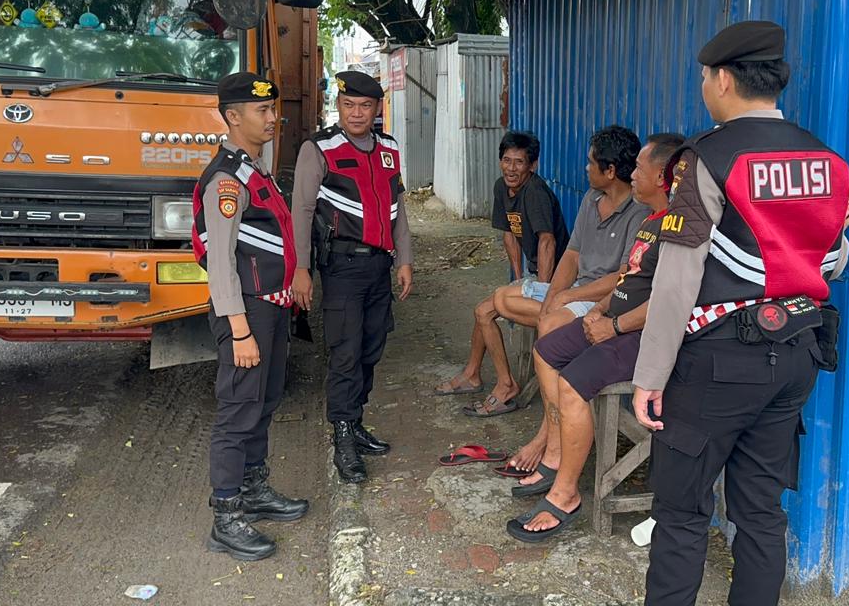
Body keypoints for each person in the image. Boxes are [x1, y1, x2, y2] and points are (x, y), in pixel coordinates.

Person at [632, 21, 849, 605]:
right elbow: (828, 265)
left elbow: (678, 277)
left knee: (681, 514)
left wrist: (650, 378)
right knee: (760, 512)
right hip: (798, 357)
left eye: (706, 76)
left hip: (719, 364)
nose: (704, 85)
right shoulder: (826, 160)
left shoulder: (707, 159)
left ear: (725, 80)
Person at [505, 132, 685, 541]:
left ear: (663, 177)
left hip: (642, 334)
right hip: (614, 319)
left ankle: (566, 493)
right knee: (547, 349)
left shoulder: (677, 228)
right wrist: (602, 310)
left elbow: (667, 301)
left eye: (639, 168)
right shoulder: (651, 219)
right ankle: (555, 451)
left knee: (571, 385)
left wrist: (613, 325)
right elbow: (627, 279)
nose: (631, 173)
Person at [191, 72, 309, 562]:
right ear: (232, 116)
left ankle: (255, 490)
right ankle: (226, 515)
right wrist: (239, 330)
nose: (271, 117)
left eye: (271, 109)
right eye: (261, 111)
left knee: (263, 402)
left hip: (272, 307)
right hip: (247, 312)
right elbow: (219, 263)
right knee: (238, 410)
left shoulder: (254, 170)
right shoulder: (226, 179)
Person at [496, 126, 651, 469]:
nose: (585, 168)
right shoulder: (591, 199)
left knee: (549, 327)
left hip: (606, 297)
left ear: (610, 171)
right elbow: (572, 256)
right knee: (509, 305)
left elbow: (622, 277)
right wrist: (555, 295)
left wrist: (569, 295)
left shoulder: (639, 213)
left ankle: (549, 437)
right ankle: (554, 431)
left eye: (591, 162)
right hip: (578, 293)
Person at [290, 71, 413, 484]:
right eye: (349, 105)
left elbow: (399, 210)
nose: (357, 113)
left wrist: (405, 260)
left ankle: (356, 420)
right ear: (338, 106)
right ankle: (342, 435)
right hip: (341, 268)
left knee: (372, 348)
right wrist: (301, 270)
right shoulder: (319, 148)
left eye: (365, 106)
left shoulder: (390, 149)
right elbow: (302, 212)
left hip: (379, 267)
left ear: (377, 109)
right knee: (345, 352)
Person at [434, 131, 569, 402]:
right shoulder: (501, 187)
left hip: (560, 279)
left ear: (533, 166)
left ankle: (505, 384)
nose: (511, 168)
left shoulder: (535, 193)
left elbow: (547, 243)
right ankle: (472, 374)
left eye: (519, 162)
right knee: (484, 309)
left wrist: (541, 292)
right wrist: (518, 279)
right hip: (534, 273)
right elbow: (510, 233)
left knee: (484, 311)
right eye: (506, 160)